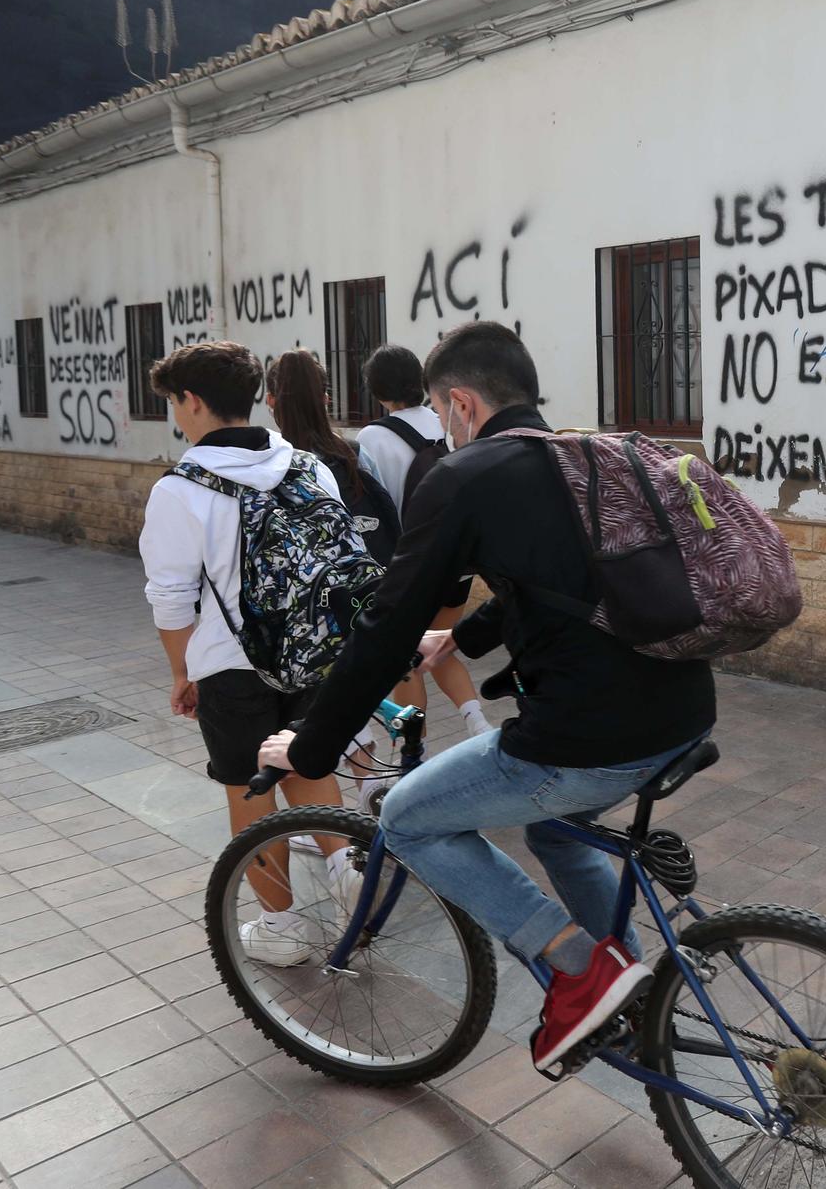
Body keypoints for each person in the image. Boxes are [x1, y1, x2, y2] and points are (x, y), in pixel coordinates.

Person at [255, 321, 717, 1072]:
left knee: (405, 817)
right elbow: (565, 585)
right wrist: (460, 639)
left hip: (587, 740)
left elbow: (382, 629)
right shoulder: (585, 454)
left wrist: (308, 745)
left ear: (462, 403)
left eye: (442, 412)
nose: (442, 426)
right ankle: (623, 989)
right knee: (560, 832)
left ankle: (578, 965)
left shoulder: (465, 478)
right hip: (683, 709)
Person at [138, 342, 355, 965]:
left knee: (250, 791)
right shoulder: (307, 466)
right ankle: (351, 884)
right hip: (312, 652)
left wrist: (182, 672)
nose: (177, 415)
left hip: (231, 668)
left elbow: (172, 598)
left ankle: (283, 928)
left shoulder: (179, 489)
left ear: (195, 402)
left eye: (176, 402)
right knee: (311, 770)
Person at [263, 350, 397, 816]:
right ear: (325, 398)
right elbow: (386, 526)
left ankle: (318, 826)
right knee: (347, 699)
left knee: (299, 720)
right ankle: (370, 790)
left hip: (295, 621)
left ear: (270, 400)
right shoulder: (350, 455)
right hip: (355, 603)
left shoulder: (269, 467)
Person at [354, 345, 492, 742]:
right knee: (439, 644)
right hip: (456, 564)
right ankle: (477, 721)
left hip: (409, 567)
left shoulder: (372, 437)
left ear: (377, 390)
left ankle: (412, 755)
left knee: (405, 660)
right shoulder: (444, 422)